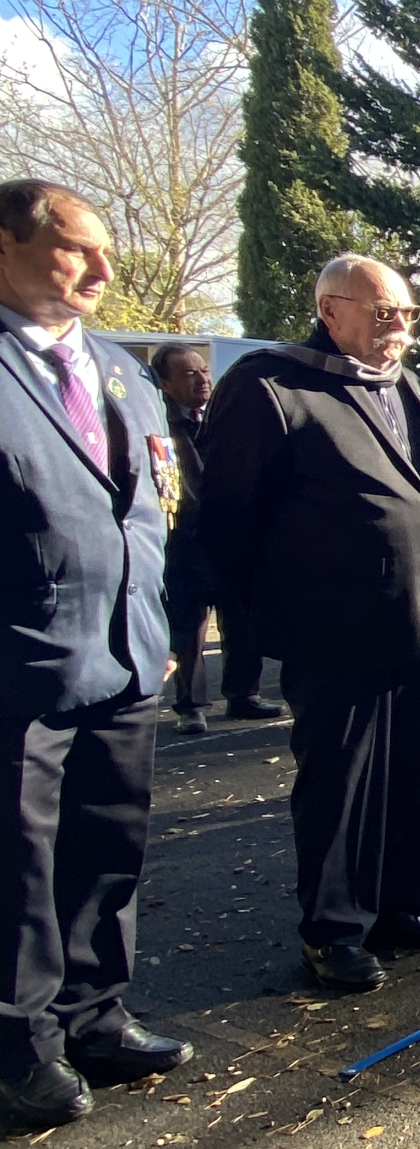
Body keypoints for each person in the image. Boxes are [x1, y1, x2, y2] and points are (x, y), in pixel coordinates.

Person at [199, 253, 420, 993]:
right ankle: (334, 930)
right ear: (331, 309)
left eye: (409, 316)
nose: (402, 331)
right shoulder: (271, 387)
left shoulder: (407, 386)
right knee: (342, 783)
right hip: (335, 628)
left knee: (415, 773)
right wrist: (268, 614)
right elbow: (227, 518)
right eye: (385, 314)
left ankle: (398, 908)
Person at [0, 179, 193, 1125]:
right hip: (21, 664)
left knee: (107, 842)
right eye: (78, 249)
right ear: (8, 245)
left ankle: (94, 1012)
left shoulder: (121, 369)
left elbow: (149, 512)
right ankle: (19, 1045)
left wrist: (151, 629)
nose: (105, 271)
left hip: (125, 657)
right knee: (17, 867)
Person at [154, 343, 282, 732]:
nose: (202, 379)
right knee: (190, 626)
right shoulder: (161, 425)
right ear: (165, 382)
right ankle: (191, 706)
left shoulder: (221, 416)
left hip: (231, 533)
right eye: (189, 373)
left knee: (241, 618)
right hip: (186, 540)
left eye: (204, 371)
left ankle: (243, 694)